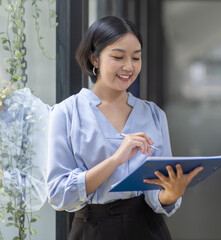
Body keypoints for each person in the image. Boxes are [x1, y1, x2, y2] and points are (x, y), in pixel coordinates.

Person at [46, 16, 203, 240]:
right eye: (118, 57)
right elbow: (59, 194)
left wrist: (171, 193)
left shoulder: (154, 114)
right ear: (94, 58)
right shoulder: (67, 113)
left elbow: (155, 193)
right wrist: (115, 159)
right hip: (93, 230)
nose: (129, 67)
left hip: (148, 229)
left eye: (136, 58)